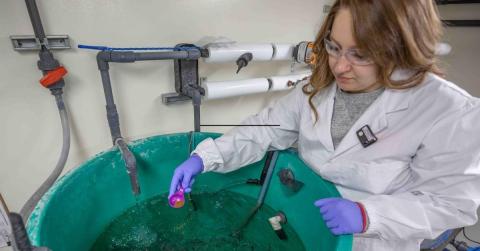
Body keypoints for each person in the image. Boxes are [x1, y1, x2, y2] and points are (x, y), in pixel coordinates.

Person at [169, 0, 480, 250]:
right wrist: (205, 158)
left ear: (401, 50)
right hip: (304, 219)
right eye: (333, 47)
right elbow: (265, 128)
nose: (340, 66)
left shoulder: (448, 110)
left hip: (371, 243)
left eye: (360, 55)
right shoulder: (318, 86)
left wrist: (367, 215)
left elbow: (451, 204)